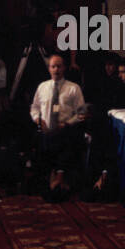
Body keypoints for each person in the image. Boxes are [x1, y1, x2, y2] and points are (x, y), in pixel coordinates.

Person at [30, 53, 87, 197]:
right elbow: (34, 108)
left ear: (64, 68)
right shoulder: (42, 87)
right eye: (53, 67)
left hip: (65, 130)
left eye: (59, 66)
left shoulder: (73, 88)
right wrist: (38, 120)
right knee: (41, 140)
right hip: (45, 130)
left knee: (62, 140)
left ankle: (58, 179)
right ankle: (53, 179)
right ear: (49, 69)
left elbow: (81, 113)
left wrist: (67, 124)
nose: (56, 70)